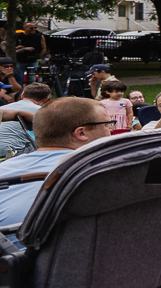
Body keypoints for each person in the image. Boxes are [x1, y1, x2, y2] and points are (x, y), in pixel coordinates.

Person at [0, 97, 113, 227]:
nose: (110, 130)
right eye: (106, 124)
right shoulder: (101, 171)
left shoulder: (4, 170)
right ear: (81, 133)